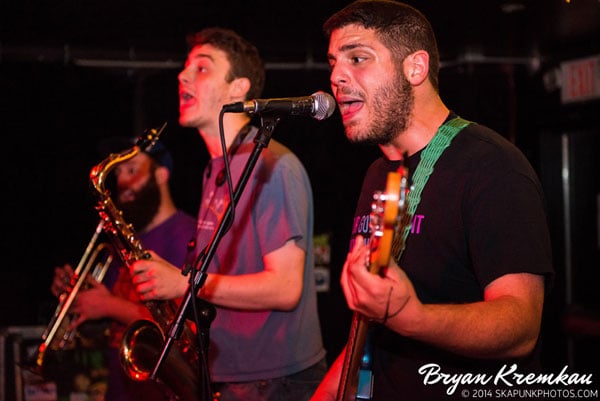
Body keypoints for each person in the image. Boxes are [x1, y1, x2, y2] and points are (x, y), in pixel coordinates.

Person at [310, 1, 554, 400]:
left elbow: (522, 325)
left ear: (415, 68)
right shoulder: (378, 174)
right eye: (334, 61)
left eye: (358, 58)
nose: (337, 76)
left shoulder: (492, 165)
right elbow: (367, 324)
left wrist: (415, 318)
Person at [128, 27, 327, 401]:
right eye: (186, 68)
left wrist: (184, 283)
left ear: (239, 88)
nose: (182, 76)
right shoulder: (216, 168)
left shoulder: (273, 165)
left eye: (202, 69)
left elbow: (286, 289)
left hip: (273, 381)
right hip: (235, 374)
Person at [50, 139, 197, 401]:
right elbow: (104, 322)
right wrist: (78, 295)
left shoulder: (187, 235)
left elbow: (183, 330)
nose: (122, 182)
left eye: (132, 170)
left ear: (161, 175)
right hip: (121, 388)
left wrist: (107, 306)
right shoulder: (126, 240)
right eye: (118, 173)